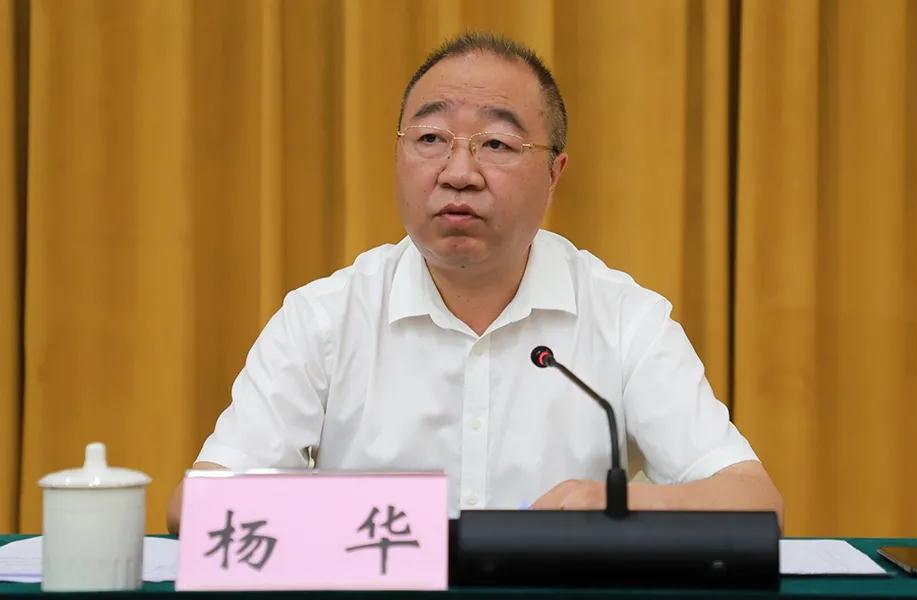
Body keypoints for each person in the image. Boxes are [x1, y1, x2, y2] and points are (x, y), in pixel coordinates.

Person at [166, 32, 782, 535]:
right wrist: (378, 524)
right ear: (398, 156)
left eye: (496, 143)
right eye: (430, 139)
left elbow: (757, 505)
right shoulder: (324, 318)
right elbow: (196, 509)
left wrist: (613, 507)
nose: (458, 172)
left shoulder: (623, 318)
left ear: (554, 173)